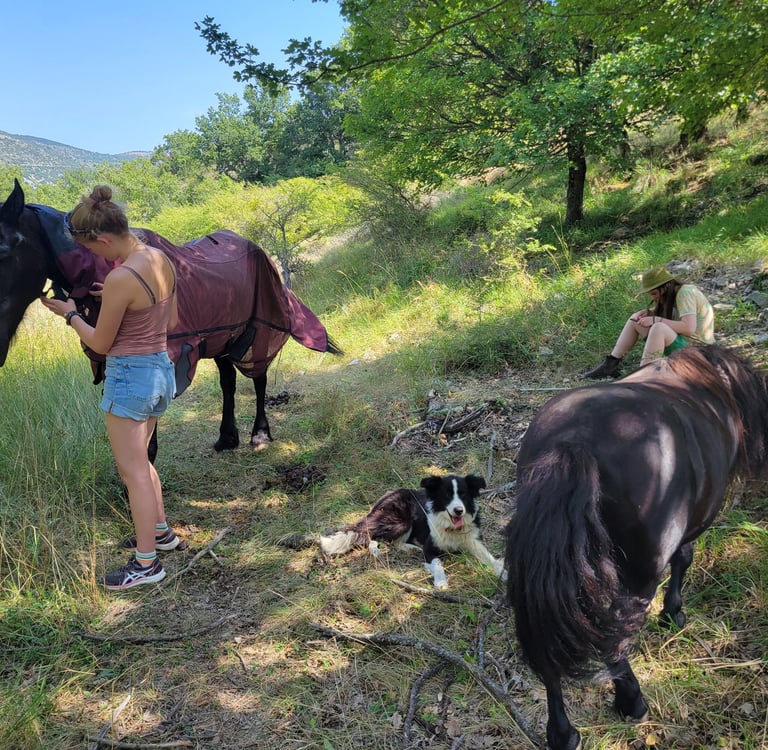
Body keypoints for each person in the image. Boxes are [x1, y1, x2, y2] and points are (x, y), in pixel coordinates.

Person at [40, 185, 180, 590]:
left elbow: (100, 343)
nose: (96, 260)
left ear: (102, 239)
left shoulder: (120, 276)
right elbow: (165, 320)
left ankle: (146, 563)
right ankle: (161, 532)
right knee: (142, 462)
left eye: (93, 251)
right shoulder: (158, 258)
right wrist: (118, 298)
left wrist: (69, 315)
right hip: (159, 371)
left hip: (130, 377)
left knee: (131, 469)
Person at [583, 266, 715, 379]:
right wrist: (651, 313)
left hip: (699, 353)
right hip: (685, 345)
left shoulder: (685, 292)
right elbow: (674, 316)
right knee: (636, 318)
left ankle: (645, 376)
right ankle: (611, 364)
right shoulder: (673, 294)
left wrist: (655, 319)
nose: (653, 297)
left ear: (665, 287)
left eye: (654, 293)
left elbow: (688, 328)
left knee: (658, 328)